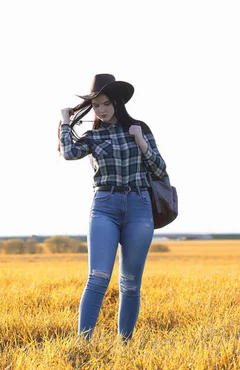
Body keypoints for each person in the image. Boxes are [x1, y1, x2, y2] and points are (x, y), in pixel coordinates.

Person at [57, 73, 168, 341]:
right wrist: (64, 121)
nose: (101, 110)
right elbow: (69, 152)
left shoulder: (140, 129)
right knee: (97, 276)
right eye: (96, 105)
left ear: (117, 102)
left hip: (139, 206)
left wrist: (141, 143)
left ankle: (125, 345)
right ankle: (83, 344)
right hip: (104, 206)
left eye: (106, 103)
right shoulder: (92, 136)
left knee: (130, 284)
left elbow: (160, 169)